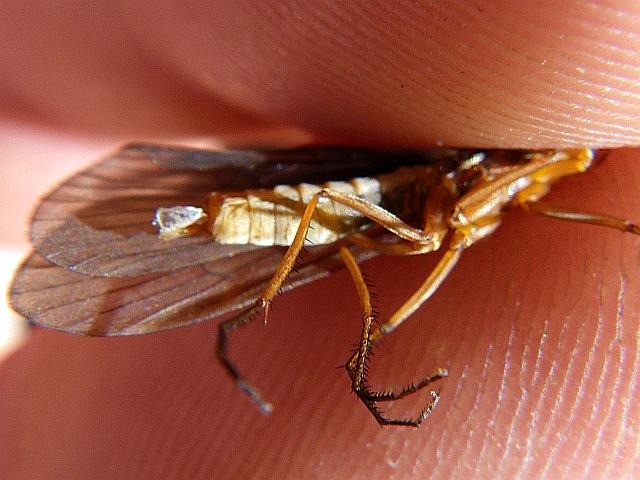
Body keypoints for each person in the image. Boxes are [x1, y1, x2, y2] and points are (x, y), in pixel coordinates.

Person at [1, 2, 639, 478]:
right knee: (353, 218)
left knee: (388, 241)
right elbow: (386, 215)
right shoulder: (496, 174)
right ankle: (311, 325)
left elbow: (443, 242)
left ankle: (350, 339)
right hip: (341, 203)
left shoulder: (510, 198)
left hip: (364, 223)